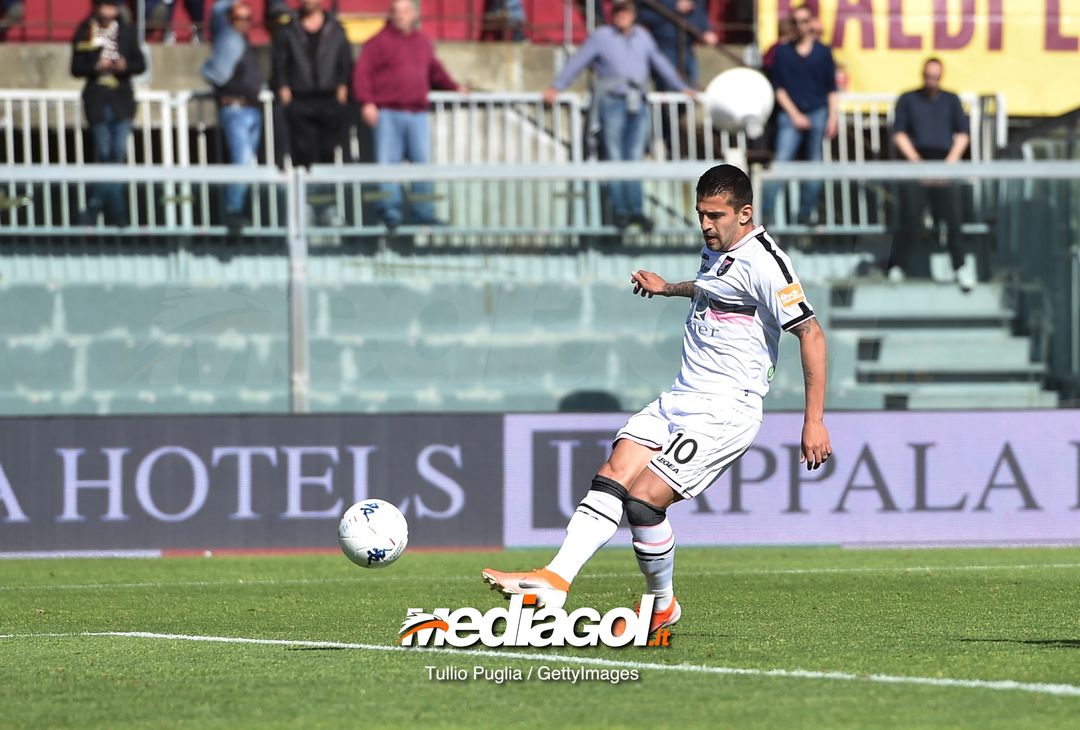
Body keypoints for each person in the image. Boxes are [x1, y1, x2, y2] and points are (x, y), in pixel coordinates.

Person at [482, 164, 832, 634]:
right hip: (682, 396)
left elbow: (810, 333)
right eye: (700, 215)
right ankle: (555, 579)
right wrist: (668, 287)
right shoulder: (718, 250)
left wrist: (813, 421)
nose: (705, 225)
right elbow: (713, 288)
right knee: (613, 473)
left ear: (744, 214)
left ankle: (661, 605)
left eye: (715, 215)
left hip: (725, 410)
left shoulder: (767, 262)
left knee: (644, 503)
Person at [543, 0, 693, 231]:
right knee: (614, 157)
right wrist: (557, 86)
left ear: (633, 14)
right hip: (612, 102)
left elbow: (660, 63)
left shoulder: (643, 37)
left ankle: (636, 209)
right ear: (613, 15)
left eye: (627, 12)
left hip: (638, 103)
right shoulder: (601, 36)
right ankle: (620, 211)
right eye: (618, 12)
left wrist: (681, 86)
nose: (623, 16)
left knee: (634, 159)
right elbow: (578, 62)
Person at [353, 0, 461, 230]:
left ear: (414, 14)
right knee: (387, 166)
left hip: (417, 113)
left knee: (422, 166)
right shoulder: (377, 42)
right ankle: (390, 212)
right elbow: (362, 74)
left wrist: (455, 88)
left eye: (405, 11)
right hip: (389, 112)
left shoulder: (422, 42)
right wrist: (367, 102)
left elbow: (435, 71)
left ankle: (424, 213)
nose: (400, 16)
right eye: (396, 11)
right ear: (390, 15)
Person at [889, 57, 975, 291]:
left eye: (936, 77)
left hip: (944, 163)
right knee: (910, 218)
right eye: (928, 76)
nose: (932, 81)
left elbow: (963, 135)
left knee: (954, 219)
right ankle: (897, 265)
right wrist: (918, 164)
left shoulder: (951, 100)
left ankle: (960, 267)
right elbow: (899, 134)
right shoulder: (908, 99)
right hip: (915, 164)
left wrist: (947, 167)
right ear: (922, 74)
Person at [272, 0, 352, 223]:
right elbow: (279, 63)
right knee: (302, 155)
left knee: (327, 154)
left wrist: (343, 86)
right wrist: (283, 87)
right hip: (300, 101)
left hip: (328, 101)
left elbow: (345, 61)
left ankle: (326, 206)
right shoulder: (288, 30)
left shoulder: (335, 28)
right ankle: (304, 207)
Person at [71, 0, 147, 227]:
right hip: (97, 99)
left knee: (117, 152)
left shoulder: (127, 31)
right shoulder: (85, 31)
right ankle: (117, 212)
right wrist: (96, 66)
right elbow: (75, 68)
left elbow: (140, 64)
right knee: (104, 152)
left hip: (121, 100)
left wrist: (124, 66)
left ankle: (96, 205)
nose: (109, 10)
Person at [763, 3, 838, 226]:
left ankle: (806, 214)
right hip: (790, 114)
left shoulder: (823, 52)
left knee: (815, 165)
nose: (800, 26)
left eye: (805, 21)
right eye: (795, 22)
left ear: (812, 23)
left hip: (817, 111)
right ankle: (766, 215)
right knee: (781, 163)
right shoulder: (783, 52)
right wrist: (795, 115)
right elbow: (779, 88)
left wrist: (833, 117)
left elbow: (831, 88)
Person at [202, 0, 266, 237]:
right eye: (240, 18)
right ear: (231, 19)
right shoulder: (225, 35)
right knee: (242, 160)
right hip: (235, 108)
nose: (245, 23)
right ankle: (233, 210)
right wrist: (233, 2)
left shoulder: (242, 41)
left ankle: (241, 208)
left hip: (252, 108)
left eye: (249, 18)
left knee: (249, 162)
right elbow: (217, 11)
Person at [637, 0, 719, 91]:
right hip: (663, 45)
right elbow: (643, 14)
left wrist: (705, 29)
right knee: (667, 87)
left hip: (687, 46)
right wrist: (673, 7)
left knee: (691, 88)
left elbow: (699, 11)